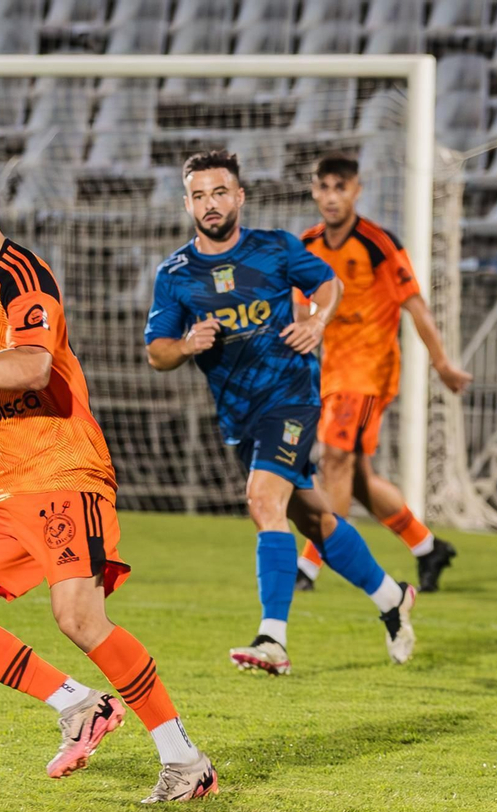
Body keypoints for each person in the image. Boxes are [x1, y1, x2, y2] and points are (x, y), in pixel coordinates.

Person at [0, 146, 217, 803]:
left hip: (66, 474)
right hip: (8, 489)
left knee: (79, 616)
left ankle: (185, 760)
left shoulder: (25, 275)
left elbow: (32, 367)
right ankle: (79, 704)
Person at [144, 149, 417, 676]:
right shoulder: (175, 273)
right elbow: (157, 352)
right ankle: (392, 597)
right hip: (238, 413)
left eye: (220, 192)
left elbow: (329, 284)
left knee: (262, 498)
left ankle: (273, 639)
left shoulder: (274, 249)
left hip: (291, 396)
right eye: (199, 196)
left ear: (240, 196)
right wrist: (186, 344)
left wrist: (317, 322)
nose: (211, 204)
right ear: (187, 204)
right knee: (311, 516)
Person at [293, 153, 471, 594]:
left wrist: (442, 362)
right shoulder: (307, 244)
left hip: (369, 372)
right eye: (323, 187)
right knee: (356, 479)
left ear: (357, 189)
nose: (331, 197)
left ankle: (309, 567)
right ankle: (428, 547)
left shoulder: (378, 242)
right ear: (314, 190)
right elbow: (297, 310)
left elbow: (416, 308)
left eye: (341, 187)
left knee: (334, 460)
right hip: (329, 374)